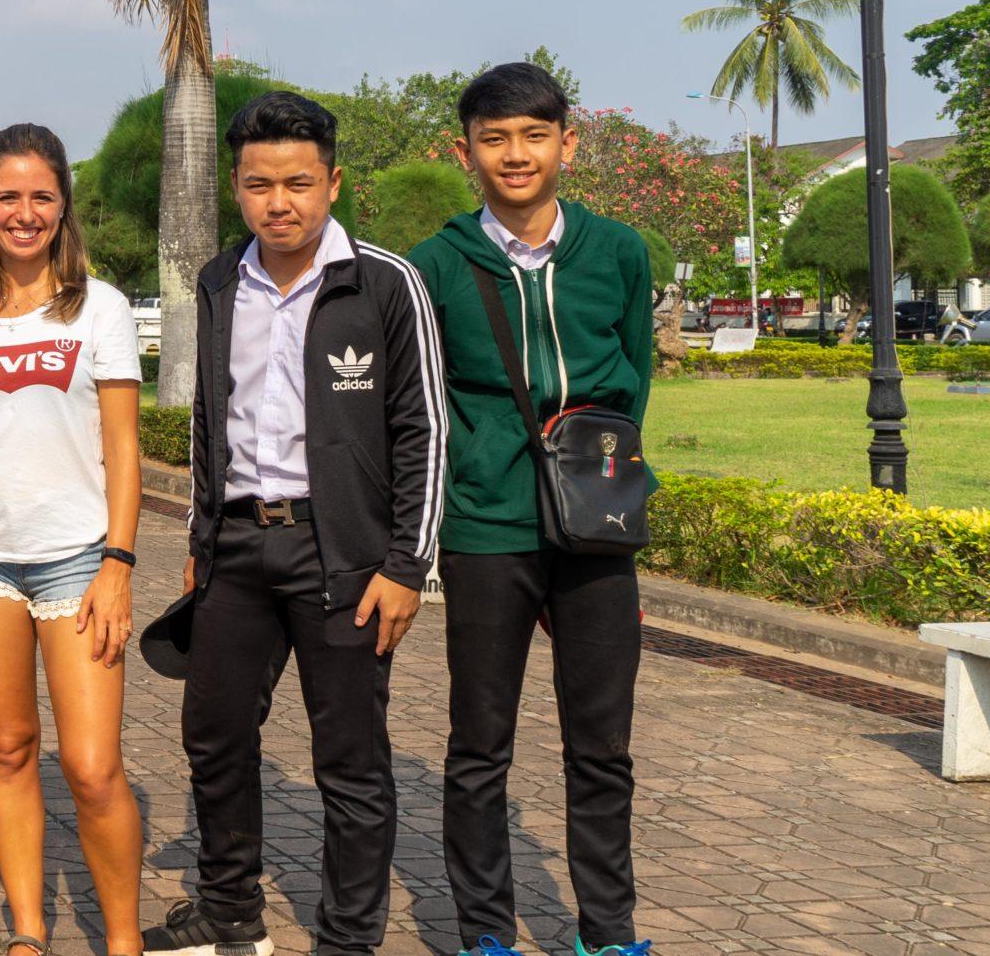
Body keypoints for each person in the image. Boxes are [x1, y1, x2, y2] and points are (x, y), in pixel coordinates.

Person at [151, 92, 444, 956]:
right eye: (259, 184)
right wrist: (203, 544)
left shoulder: (385, 282)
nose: (280, 202)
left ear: (333, 182)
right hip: (240, 546)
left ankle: (348, 937)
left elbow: (424, 426)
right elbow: (213, 419)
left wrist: (406, 562)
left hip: (344, 553)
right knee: (214, 733)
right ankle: (229, 914)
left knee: (349, 757)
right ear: (237, 187)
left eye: (299, 183)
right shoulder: (217, 280)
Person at [406, 63, 654, 956]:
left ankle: (608, 931)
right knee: (480, 744)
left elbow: (634, 374)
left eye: (534, 135)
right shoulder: (435, 264)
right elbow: (422, 398)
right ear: (464, 150)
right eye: (494, 137)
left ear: (568, 143)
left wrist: (598, 480)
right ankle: (484, 931)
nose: (515, 154)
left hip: (598, 527)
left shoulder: (619, 251)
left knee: (603, 744)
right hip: (485, 525)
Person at [0, 125, 146, 956]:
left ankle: (123, 940)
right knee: (8, 747)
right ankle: (26, 929)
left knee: (91, 765)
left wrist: (118, 562)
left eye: (41, 196)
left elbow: (124, 446)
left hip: (80, 558)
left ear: (63, 205)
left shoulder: (101, 306)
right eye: (7, 196)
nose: (24, 212)